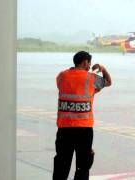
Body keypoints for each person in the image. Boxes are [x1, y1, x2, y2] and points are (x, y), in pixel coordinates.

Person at [53, 51, 112, 180]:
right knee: (83, 166)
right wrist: (103, 69)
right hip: (84, 130)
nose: (90, 65)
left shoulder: (61, 76)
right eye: (89, 63)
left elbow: (67, 89)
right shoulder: (91, 78)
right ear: (85, 62)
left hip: (64, 129)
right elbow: (108, 82)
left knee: (61, 165)